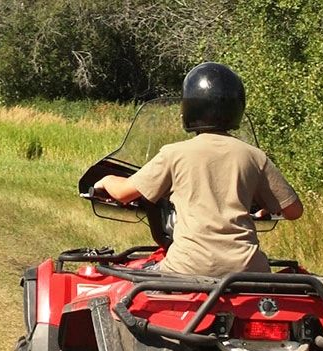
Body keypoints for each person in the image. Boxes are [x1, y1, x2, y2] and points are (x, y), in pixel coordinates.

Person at [94, 62, 304, 277]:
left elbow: (123, 193)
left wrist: (106, 180)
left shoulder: (174, 153)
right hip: (249, 271)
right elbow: (294, 211)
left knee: (130, 279)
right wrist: (269, 206)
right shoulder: (254, 156)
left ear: (189, 108)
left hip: (187, 268)